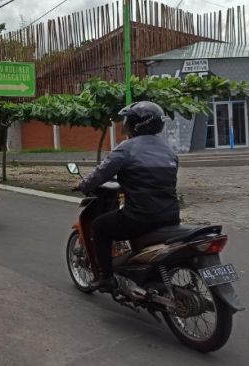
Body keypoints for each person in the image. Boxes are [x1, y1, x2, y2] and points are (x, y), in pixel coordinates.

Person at [75, 101, 181, 291]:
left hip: (141, 217)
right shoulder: (169, 151)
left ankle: (107, 278)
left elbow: (101, 173)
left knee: (99, 227)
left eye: (128, 120)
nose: (125, 125)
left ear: (137, 124)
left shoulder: (127, 148)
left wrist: (83, 185)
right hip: (171, 216)